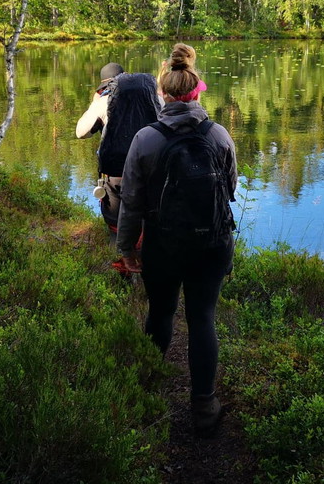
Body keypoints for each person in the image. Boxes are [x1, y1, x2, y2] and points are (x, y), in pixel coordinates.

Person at [116, 43, 236, 436]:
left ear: (162, 94)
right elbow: (229, 190)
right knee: (203, 319)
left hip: (163, 246)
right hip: (212, 245)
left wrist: (127, 249)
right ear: (197, 91)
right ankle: (204, 406)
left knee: (161, 313)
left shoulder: (145, 139)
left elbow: (131, 203)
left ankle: (147, 387)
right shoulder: (219, 135)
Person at [76, 62, 160, 251]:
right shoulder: (154, 98)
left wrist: (94, 104)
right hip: (151, 173)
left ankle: (121, 265)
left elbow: (81, 132)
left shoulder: (103, 102)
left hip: (116, 174)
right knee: (150, 220)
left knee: (117, 224)